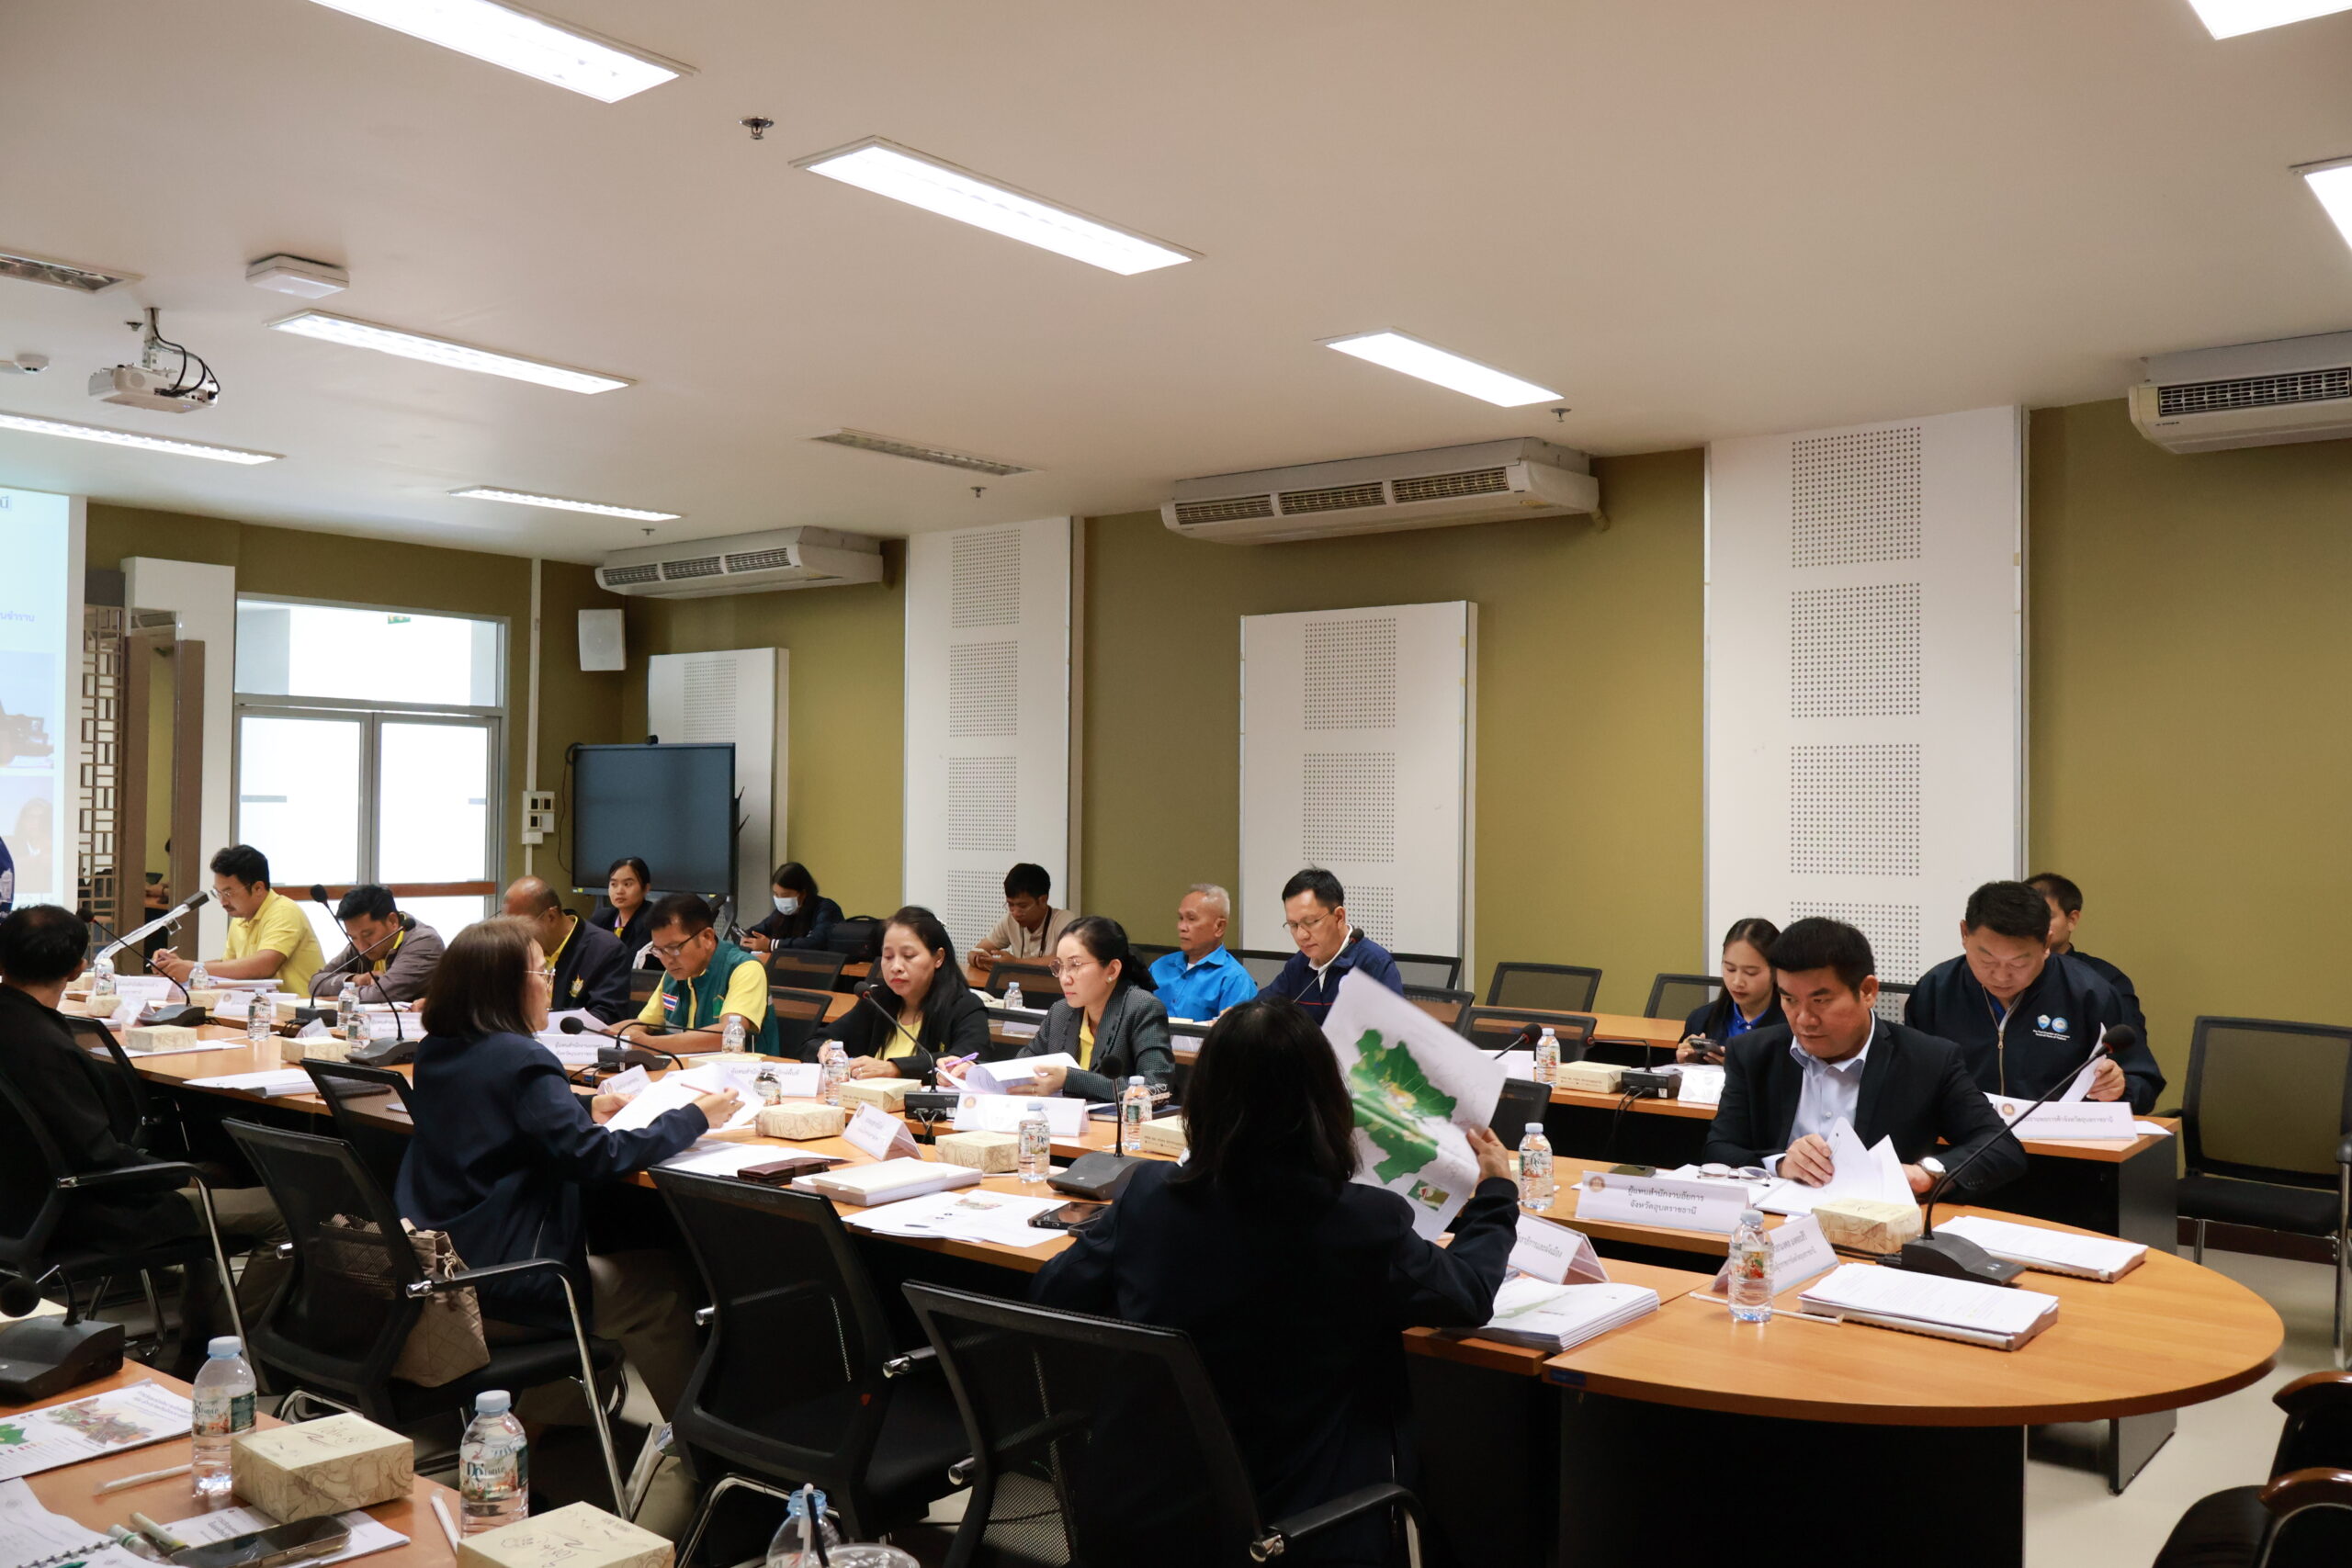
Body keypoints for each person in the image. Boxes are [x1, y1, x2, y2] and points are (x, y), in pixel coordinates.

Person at [1032, 998, 1516, 1567]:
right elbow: (1467, 1294)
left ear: (1202, 1101)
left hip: (1146, 1521)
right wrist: (1495, 1195)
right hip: (1301, 1529)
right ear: (1327, 1103)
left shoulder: (1147, 1197)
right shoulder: (1358, 1222)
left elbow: (1052, 1295)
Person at [396, 917, 740, 1420]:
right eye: (543, 973)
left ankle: (538, 1428)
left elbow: (491, 1113)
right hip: (511, 1283)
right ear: (508, 986)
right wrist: (693, 1118)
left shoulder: (437, 1049)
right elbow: (596, 1158)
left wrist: (583, 1107)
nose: (550, 985)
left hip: (443, 1268)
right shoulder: (523, 1058)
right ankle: (698, 1444)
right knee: (664, 1288)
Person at [0, 904, 288, 1349]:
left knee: (209, 1180)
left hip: (18, 1205)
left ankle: (197, 1338)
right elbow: (99, 1157)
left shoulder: (20, 1029)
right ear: (78, 968)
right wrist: (178, 1175)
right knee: (284, 1212)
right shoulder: (46, 1047)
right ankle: (227, 1352)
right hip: (82, 1209)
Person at [1702, 917, 2026, 1199]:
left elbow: (2001, 1147)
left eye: (1820, 1001)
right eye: (1789, 999)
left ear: (1868, 991)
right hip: (1774, 1223)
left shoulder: (1928, 1060)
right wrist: (1781, 1164)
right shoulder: (1753, 1053)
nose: (1803, 1019)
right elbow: (1719, 1149)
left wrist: (1926, 1173)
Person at [1905, 880, 2164, 1113]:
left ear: (2046, 944)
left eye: (2018, 963)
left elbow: (2144, 1083)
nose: (2001, 976)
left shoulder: (2089, 992)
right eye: (1987, 960)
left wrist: (2121, 1087)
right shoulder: (1936, 990)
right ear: (1964, 934)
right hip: (1962, 1142)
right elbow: (1910, 1078)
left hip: (2063, 1145)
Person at [1013, 917, 1173, 1101]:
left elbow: (1158, 1089)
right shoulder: (1061, 1011)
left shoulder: (1142, 1008)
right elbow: (1021, 1067)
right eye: (1060, 967)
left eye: (1075, 965)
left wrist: (1070, 1079)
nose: (1065, 978)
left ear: (1112, 970)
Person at [818, 906, 989, 1077]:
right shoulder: (875, 1001)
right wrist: (826, 1049)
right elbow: (816, 1041)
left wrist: (895, 1068)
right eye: (888, 957)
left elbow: (965, 1060)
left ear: (938, 958)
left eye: (908, 956)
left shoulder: (965, 1006)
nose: (896, 967)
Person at [151, 844, 324, 997]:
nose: (223, 902)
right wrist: (178, 965)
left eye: (228, 893)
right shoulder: (240, 919)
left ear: (258, 888)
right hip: (261, 1010)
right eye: (218, 893)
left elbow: (263, 966)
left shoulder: (284, 911)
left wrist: (193, 969)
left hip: (299, 1012)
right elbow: (228, 966)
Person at [1257, 869, 1404, 1026]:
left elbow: (1394, 1031)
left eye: (1310, 922)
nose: (1301, 935)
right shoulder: (1298, 965)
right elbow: (1260, 1010)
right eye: (1293, 925)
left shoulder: (1374, 963)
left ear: (1339, 917)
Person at [636, 893, 778, 1054]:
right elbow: (641, 1025)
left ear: (707, 937)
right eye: (659, 951)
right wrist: (619, 1036)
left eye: (674, 948)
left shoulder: (745, 968)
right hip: (684, 1067)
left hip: (741, 1069)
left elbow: (728, 1036)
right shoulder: (674, 974)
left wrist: (651, 1044)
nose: (667, 960)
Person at [2028, 871, 2149, 1047]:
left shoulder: (2103, 979)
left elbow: (2131, 1049)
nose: (2034, 925)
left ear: (2072, 920)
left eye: (2046, 917)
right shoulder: (2004, 975)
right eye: (2027, 916)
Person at [502, 876, 633, 1023]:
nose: (515, 936)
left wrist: (548, 1022)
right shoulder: (518, 949)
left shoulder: (606, 950)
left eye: (520, 927)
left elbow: (606, 1015)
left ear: (551, 917)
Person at [308, 885, 444, 1002]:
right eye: (353, 937)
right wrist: (354, 980)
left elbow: (380, 995)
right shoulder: (360, 945)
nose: (362, 947)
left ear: (392, 921)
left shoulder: (424, 942)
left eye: (368, 935)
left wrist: (337, 996)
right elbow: (315, 983)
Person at [1678, 918, 1784, 1062]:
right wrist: (1687, 1063)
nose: (1737, 982)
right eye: (1730, 969)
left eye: (1751, 972)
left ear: (1776, 971)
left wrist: (1738, 1069)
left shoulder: (1793, 1027)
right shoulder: (1701, 1019)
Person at [1147, 884, 1258, 1021]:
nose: (1181, 927)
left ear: (1219, 927)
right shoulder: (1159, 967)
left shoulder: (1234, 979)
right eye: (1180, 918)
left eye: (1191, 919)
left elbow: (1232, 1033)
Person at [971, 863, 1073, 961]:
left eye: (1023, 906)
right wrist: (979, 960)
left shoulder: (1064, 920)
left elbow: (1066, 959)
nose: (1015, 913)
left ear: (1043, 900)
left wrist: (1015, 962)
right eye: (1010, 905)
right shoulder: (1009, 920)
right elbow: (976, 951)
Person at [741, 862, 842, 953]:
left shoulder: (827, 909)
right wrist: (747, 939)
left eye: (785, 895)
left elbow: (817, 942)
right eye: (776, 894)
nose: (780, 900)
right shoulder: (780, 914)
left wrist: (772, 945)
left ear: (803, 894)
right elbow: (757, 931)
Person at [590, 857, 655, 961]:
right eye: (614, 884)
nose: (619, 891)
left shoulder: (652, 921)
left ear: (646, 888)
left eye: (627, 884)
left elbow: (630, 961)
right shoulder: (601, 918)